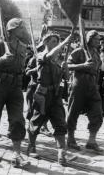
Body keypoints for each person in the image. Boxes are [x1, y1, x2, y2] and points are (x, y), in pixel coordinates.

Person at [0, 18, 31, 167]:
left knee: (18, 119)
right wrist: (2, 59)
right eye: (20, 28)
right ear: (11, 30)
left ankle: (17, 154)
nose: (23, 30)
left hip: (16, 87)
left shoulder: (23, 46)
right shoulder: (0, 44)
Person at [27, 32, 72, 165]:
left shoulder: (59, 60)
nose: (56, 44)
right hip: (43, 94)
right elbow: (50, 55)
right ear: (45, 42)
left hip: (56, 95)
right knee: (36, 121)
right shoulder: (40, 56)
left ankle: (61, 153)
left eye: (57, 42)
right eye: (53, 41)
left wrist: (66, 68)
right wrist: (65, 42)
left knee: (60, 123)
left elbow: (67, 78)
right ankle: (31, 146)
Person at [67, 30, 103, 152]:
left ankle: (91, 141)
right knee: (73, 112)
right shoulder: (79, 51)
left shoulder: (96, 53)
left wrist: (97, 83)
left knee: (97, 113)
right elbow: (67, 65)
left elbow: (97, 70)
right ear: (89, 39)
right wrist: (83, 65)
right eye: (96, 39)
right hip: (79, 85)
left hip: (92, 86)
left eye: (99, 39)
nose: (98, 41)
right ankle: (70, 138)